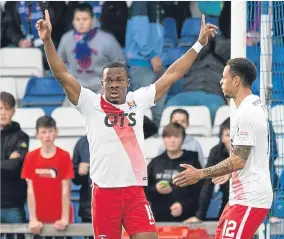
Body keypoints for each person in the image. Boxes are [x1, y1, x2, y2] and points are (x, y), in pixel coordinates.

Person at [36, 10, 218, 239]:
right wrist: (48, 42)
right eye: (109, 80)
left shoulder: (138, 100)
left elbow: (173, 74)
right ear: (101, 83)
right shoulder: (89, 102)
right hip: (104, 195)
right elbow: (62, 74)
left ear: (127, 82)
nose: (114, 84)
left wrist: (199, 45)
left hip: (134, 192)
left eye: (119, 80)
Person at [173, 58, 273, 239]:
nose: (220, 81)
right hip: (240, 195)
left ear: (236, 80)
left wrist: (200, 174)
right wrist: (230, 171)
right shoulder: (255, 104)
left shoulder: (247, 113)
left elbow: (239, 160)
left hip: (249, 197)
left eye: (224, 77)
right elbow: (248, 154)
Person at [21, 116, 74, 235]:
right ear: (37, 134)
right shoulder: (30, 157)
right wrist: (33, 218)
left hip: (60, 221)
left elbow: (66, 188)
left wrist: (64, 218)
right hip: (39, 221)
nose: (47, 136)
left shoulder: (64, 156)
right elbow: (30, 190)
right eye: (43, 132)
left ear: (56, 132)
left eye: (50, 131)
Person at [58, 3, 125, 93]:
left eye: (85, 19)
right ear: (73, 21)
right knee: (64, 108)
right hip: (76, 88)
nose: (81, 22)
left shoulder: (107, 39)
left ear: (93, 20)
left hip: (102, 88)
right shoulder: (66, 39)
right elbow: (58, 63)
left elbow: (120, 63)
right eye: (77, 19)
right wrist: (68, 79)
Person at [145, 123, 202, 222]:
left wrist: (184, 207)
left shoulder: (192, 161)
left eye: (176, 136)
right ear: (163, 139)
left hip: (186, 221)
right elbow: (142, 190)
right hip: (159, 221)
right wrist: (156, 190)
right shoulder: (155, 162)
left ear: (183, 139)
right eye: (168, 136)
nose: (172, 140)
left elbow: (200, 192)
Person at [184, 117, 230, 223]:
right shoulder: (216, 152)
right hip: (228, 200)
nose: (232, 139)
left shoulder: (248, 150)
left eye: (235, 135)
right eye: (228, 135)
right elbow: (208, 184)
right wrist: (200, 216)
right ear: (222, 138)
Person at [0, 92, 29, 233]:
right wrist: (7, 161)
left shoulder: (21, 136)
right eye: (0, 109)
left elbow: (15, 166)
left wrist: (10, 162)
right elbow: (9, 164)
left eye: (7, 108)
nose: (3, 113)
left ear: (13, 111)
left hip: (13, 205)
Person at [72, 135, 92, 223]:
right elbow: (76, 180)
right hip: (88, 210)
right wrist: (80, 173)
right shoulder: (83, 143)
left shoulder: (116, 142)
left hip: (114, 209)